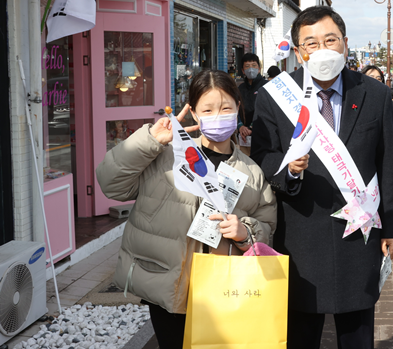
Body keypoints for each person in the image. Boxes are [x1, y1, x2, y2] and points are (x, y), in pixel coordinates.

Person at [251, 6, 393, 349]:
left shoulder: (375, 94)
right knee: (301, 333)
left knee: (357, 333)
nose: (321, 49)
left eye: (330, 39)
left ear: (345, 43)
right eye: (310, 43)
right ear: (298, 50)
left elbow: (386, 165)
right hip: (300, 232)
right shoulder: (274, 95)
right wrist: (289, 169)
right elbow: (261, 156)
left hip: (359, 233)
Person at [96, 70, 277, 349]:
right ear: (193, 111)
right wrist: (149, 140)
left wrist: (246, 232)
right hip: (167, 285)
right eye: (208, 108)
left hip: (223, 291)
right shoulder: (166, 156)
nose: (218, 115)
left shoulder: (251, 172)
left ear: (239, 108)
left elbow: (267, 225)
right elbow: (111, 184)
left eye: (226, 107)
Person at [237, 53, 269, 156]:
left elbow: (267, 110)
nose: (251, 69)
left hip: (262, 135)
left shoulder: (266, 86)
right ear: (243, 71)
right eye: (247, 66)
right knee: (246, 165)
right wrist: (240, 126)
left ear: (259, 69)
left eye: (254, 66)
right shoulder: (240, 88)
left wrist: (252, 128)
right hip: (243, 137)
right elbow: (235, 108)